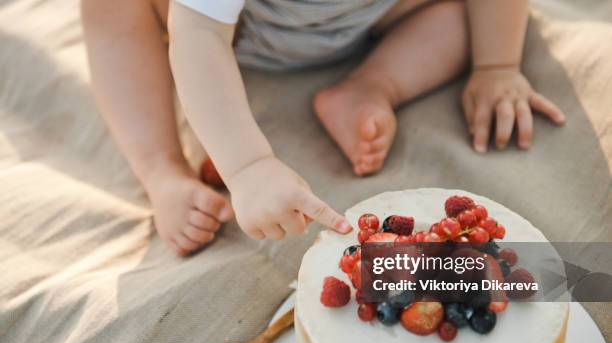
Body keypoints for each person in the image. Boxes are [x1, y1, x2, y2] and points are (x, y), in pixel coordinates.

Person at [81, 0, 565, 255]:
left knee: (471, 15)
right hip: (242, 27)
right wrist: (249, 166)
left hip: (374, 14)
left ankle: (373, 84)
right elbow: (197, 36)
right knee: (113, 6)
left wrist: (497, 64)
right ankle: (161, 169)